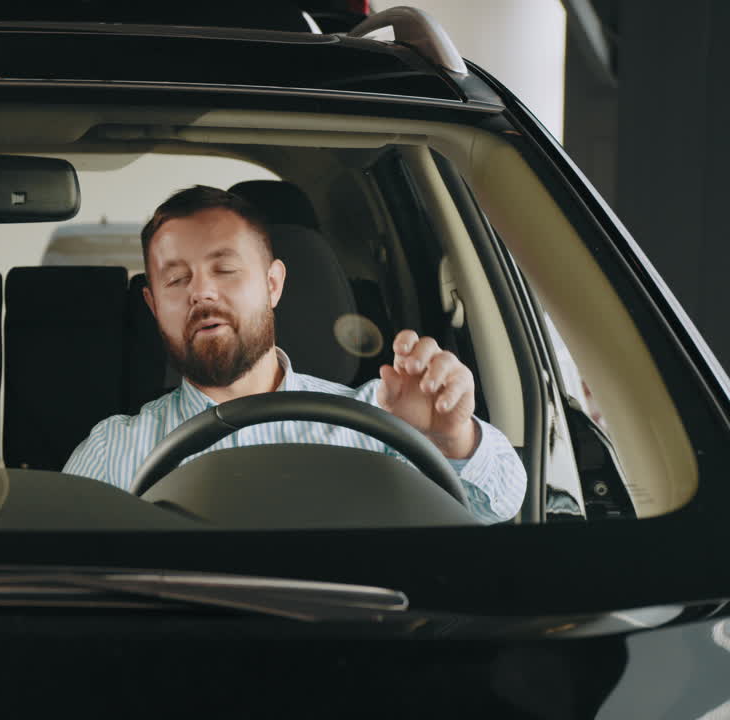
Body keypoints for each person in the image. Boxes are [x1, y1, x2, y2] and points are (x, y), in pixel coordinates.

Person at [62, 185, 526, 523]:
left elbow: (498, 506)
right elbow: (60, 586)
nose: (201, 292)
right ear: (153, 305)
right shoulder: (114, 449)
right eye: (176, 279)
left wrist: (450, 438)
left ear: (273, 284)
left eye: (224, 269)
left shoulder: (378, 424)